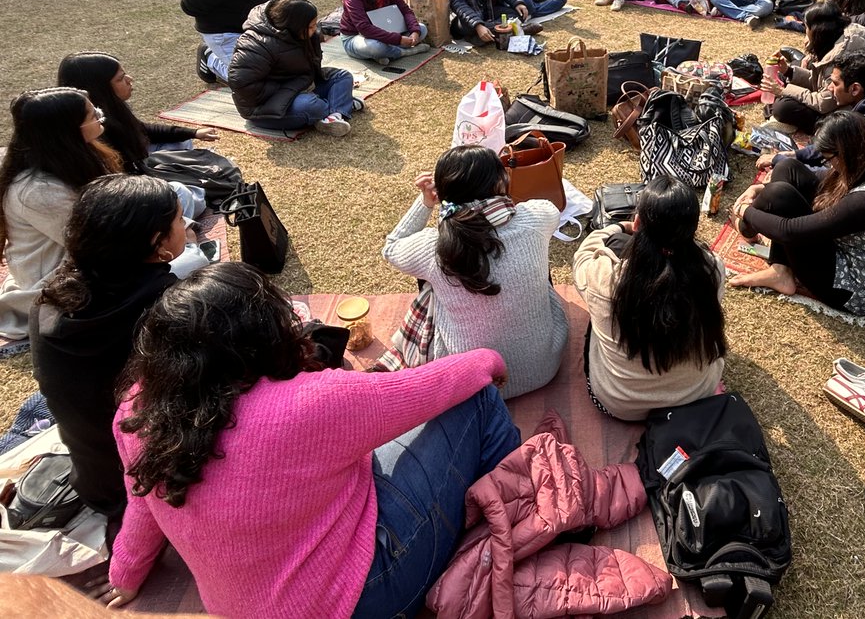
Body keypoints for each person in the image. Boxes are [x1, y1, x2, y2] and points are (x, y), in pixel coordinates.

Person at [95, 262, 519, 617]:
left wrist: (125, 573)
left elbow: (143, 499)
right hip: (366, 596)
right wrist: (489, 359)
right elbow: (435, 385)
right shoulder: (307, 404)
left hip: (241, 608)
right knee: (477, 398)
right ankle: (517, 509)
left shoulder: (137, 412)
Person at [30, 175, 184, 517]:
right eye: (178, 219)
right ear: (157, 241)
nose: (185, 224)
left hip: (96, 480)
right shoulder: (169, 309)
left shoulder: (49, 301)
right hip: (153, 489)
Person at [380, 146, 567, 399]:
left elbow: (391, 247)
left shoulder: (432, 247)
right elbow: (548, 206)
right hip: (543, 368)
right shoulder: (537, 219)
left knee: (431, 290)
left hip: (474, 382)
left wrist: (425, 203)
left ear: (444, 195)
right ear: (501, 181)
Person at [730, 112, 865, 316]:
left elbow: (790, 231)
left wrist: (745, 211)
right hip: (857, 250)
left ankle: (749, 231)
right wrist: (760, 188)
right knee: (787, 168)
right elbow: (825, 179)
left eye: (829, 159)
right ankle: (781, 268)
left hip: (854, 287)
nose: (829, 165)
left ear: (848, 153)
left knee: (778, 195)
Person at [573, 177, 727, 421]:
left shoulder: (604, 277)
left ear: (637, 222)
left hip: (621, 404)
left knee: (597, 314)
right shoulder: (713, 270)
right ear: (692, 227)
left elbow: (583, 254)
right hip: (697, 396)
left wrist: (617, 227)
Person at [0, 88, 123, 341]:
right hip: (62, 279)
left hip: (93, 255)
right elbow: (98, 243)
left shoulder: (74, 156)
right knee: (185, 265)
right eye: (92, 114)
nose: (99, 116)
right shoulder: (38, 191)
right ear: (67, 130)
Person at [56, 52, 219, 174]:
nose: (130, 79)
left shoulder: (111, 108)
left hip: (138, 160)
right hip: (128, 178)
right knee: (185, 193)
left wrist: (193, 133)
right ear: (100, 88)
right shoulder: (94, 129)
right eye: (120, 79)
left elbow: (141, 129)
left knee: (182, 143)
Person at [227, 0, 357, 137]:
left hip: (300, 88)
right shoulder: (257, 43)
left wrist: (299, 86)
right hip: (265, 108)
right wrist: (290, 89)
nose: (315, 29)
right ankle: (339, 104)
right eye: (311, 26)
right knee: (310, 105)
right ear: (295, 25)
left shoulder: (304, 34)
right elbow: (241, 84)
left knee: (342, 77)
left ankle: (333, 115)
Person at [760, 0, 865, 135]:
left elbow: (824, 103)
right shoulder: (837, 36)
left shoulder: (841, 61)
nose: (805, 32)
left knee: (783, 107)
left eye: (807, 28)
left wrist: (782, 91)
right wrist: (789, 71)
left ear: (817, 31)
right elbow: (819, 81)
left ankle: (810, 124)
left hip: (838, 111)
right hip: (831, 98)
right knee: (788, 73)